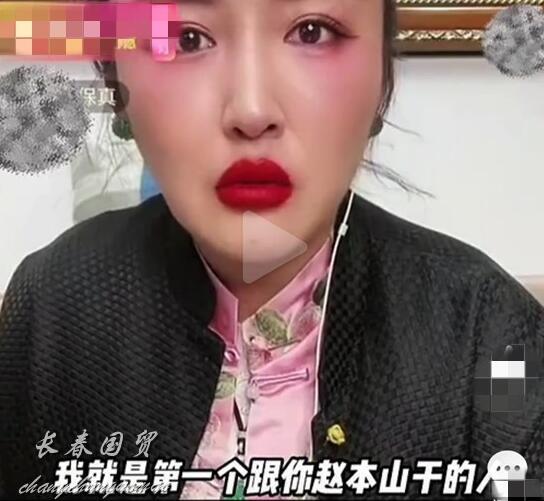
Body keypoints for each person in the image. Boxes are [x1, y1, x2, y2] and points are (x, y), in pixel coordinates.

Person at [1, 1, 543, 499]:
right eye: (185, 38)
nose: (252, 110)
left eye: (312, 32)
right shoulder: (52, 307)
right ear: (115, 82)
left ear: (382, 79)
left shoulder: (496, 339)